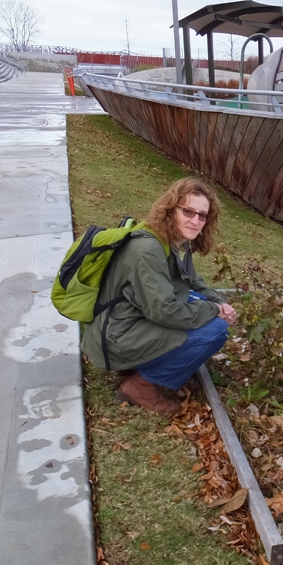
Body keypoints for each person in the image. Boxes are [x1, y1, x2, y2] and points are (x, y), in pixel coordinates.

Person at [81, 177, 237, 416]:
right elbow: (166, 312)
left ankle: (141, 364)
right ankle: (139, 386)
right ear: (171, 209)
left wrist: (218, 301)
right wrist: (215, 311)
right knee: (215, 330)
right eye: (188, 211)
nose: (195, 221)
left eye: (202, 215)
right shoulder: (148, 250)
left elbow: (192, 280)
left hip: (120, 326)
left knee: (199, 301)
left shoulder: (170, 240)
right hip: (114, 339)